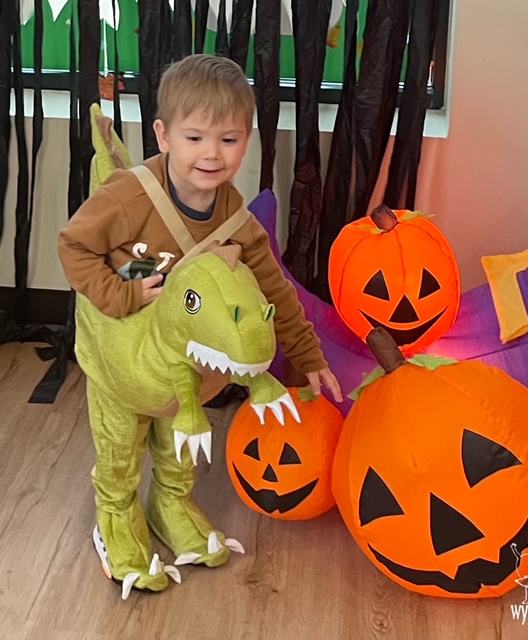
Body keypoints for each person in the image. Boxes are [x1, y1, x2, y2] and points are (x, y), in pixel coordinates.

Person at [58, 53, 342, 597]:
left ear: (246, 141)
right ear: (164, 135)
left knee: (181, 439)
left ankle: (170, 503)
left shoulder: (237, 221)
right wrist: (121, 294)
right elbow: (74, 246)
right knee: (121, 446)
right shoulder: (130, 197)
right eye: (194, 138)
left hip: (184, 362)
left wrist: (308, 356)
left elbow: (274, 291)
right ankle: (115, 517)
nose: (211, 154)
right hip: (124, 357)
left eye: (229, 139)